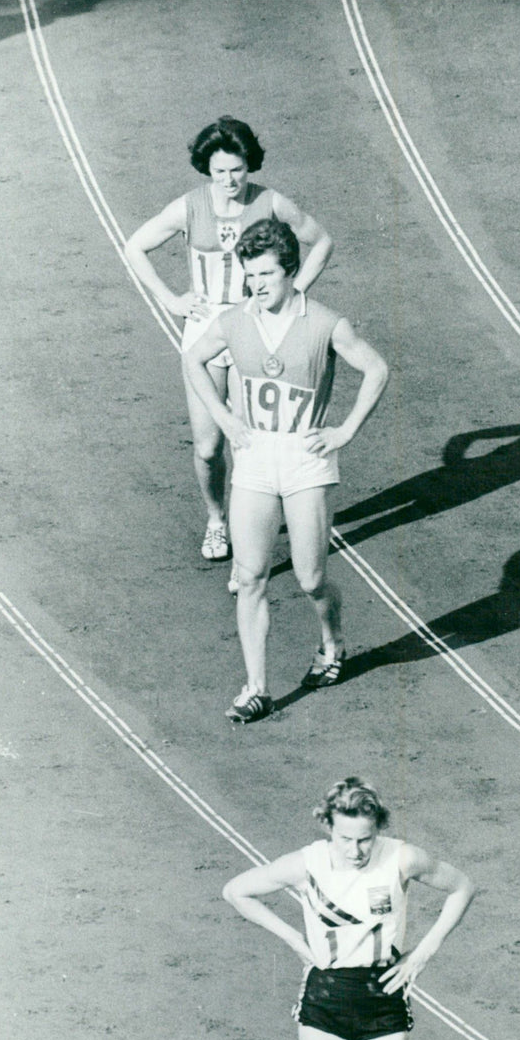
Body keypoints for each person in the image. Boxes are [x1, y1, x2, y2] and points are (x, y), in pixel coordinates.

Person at [183, 218, 389, 723]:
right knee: (250, 575)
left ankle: (332, 642)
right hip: (254, 461)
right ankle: (255, 687)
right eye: (250, 276)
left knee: (310, 577)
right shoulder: (235, 320)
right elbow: (194, 359)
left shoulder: (323, 323)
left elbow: (377, 369)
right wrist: (227, 418)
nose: (257, 286)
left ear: (291, 272)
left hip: (305, 463)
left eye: (266, 276)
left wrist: (344, 431)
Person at [125, 117, 333, 571]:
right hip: (203, 331)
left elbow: (320, 242)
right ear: (207, 169)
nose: (229, 180)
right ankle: (216, 517)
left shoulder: (270, 202)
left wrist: (291, 296)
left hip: (250, 333)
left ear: (248, 165)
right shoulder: (189, 207)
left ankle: (247, 541)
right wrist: (171, 300)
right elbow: (135, 247)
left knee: (249, 444)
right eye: (220, 171)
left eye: (236, 170)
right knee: (207, 447)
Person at [222, 777, 475, 1040]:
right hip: (325, 1002)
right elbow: (236, 891)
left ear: (378, 830)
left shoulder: (402, 859)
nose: (355, 851)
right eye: (345, 839)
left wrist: (424, 952)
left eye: (365, 840)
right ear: (328, 826)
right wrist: (294, 939)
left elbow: (461, 887)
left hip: (383, 1001)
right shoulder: (306, 864)